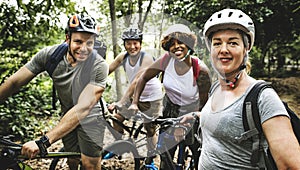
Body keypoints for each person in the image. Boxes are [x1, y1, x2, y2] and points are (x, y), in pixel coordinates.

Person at [180, 8, 300, 169]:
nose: (223, 49)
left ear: (246, 48)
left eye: (233, 42)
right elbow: (229, 120)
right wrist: (199, 116)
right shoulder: (216, 88)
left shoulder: (263, 98)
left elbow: (291, 165)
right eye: (217, 43)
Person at [0, 14, 109, 170]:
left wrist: (43, 142)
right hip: (66, 114)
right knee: (71, 160)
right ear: (67, 39)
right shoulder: (51, 56)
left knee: (89, 165)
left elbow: (84, 107)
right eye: (78, 41)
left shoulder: (98, 65)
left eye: (89, 43)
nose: (84, 48)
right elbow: (14, 82)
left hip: (91, 117)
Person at [129, 24, 211, 169]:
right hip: (171, 107)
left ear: (189, 44)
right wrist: (135, 102)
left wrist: (187, 123)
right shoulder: (165, 61)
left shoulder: (201, 70)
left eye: (180, 42)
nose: (176, 47)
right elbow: (143, 78)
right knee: (165, 153)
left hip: (194, 109)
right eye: (172, 44)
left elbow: (203, 104)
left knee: (197, 151)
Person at [107, 27, 164, 168]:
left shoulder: (147, 58)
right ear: (124, 44)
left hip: (151, 98)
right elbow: (107, 70)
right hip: (135, 97)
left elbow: (137, 80)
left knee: (150, 129)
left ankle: (150, 158)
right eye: (128, 43)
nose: (132, 47)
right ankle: (120, 145)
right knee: (117, 119)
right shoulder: (123, 57)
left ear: (140, 43)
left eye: (135, 43)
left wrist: (122, 101)